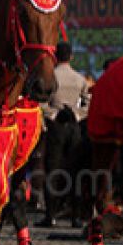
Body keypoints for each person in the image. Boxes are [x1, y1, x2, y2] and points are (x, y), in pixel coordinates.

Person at [37, 41, 89, 227]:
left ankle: (50, 215)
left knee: (52, 170)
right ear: (71, 56)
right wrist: (77, 114)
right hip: (74, 126)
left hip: (55, 126)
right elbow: (87, 103)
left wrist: (53, 113)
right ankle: (75, 216)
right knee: (74, 171)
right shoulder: (80, 79)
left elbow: (41, 102)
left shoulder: (51, 77)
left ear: (55, 56)